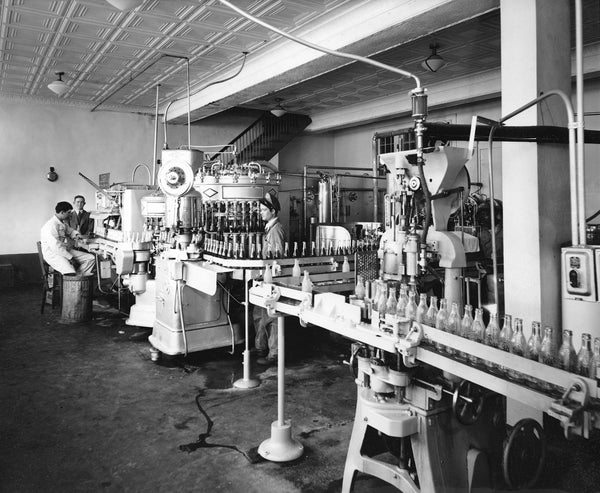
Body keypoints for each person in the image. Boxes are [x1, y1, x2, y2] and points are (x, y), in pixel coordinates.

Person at [253, 191, 285, 366]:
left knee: (272, 317)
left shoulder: (276, 230)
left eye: (264, 210)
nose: (261, 213)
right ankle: (262, 347)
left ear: (273, 211)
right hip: (266, 276)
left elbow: (278, 256)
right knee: (260, 314)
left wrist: (269, 275)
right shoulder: (270, 228)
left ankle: (274, 353)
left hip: (272, 278)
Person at [41, 201, 96, 276]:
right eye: (69, 212)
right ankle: (75, 280)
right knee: (70, 272)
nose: (70, 215)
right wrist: (70, 258)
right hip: (53, 254)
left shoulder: (62, 223)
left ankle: (79, 279)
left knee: (90, 258)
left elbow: (71, 231)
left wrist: (78, 236)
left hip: (64, 250)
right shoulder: (50, 225)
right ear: (62, 212)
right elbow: (55, 247)